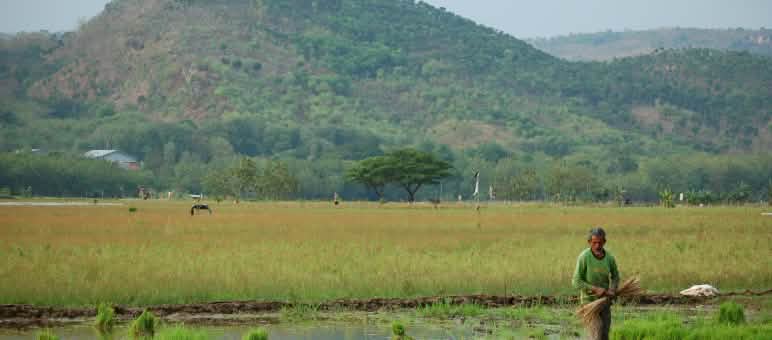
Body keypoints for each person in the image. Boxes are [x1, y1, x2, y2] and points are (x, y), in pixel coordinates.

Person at [572, 227, 620, 340]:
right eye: (594, 243)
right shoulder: (584, 257)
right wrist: (595, 289)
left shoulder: (609, 258)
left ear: (604, 242)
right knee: (595, 335)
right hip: (589, 303)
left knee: (604, 335)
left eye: (600, 242)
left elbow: (615, 276)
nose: (597, 246)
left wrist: (612, 289)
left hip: (605, 302)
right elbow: (576, 281)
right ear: (589, 242)